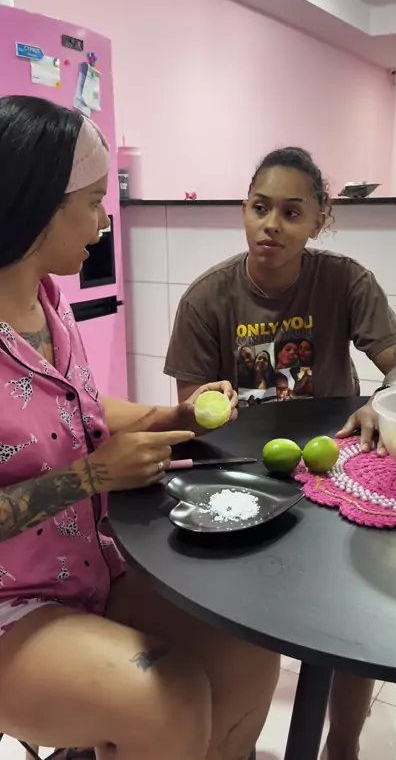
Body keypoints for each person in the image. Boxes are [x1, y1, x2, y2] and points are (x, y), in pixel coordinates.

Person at [0, 96, 279, 760]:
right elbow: (78, 458)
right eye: (93, 201)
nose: (104, 220)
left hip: (95, 568)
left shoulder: (48, 302)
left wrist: (171, 415)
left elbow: (82, 407)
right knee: (166, 698)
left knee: (248, 648)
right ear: (40, 206)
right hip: (12, 605)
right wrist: (90, 477)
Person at [165, 146, 396, 760]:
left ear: (318, 220)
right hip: (241, 485)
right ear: (244, 209)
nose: (271, 225)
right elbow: (190, 413)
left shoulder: (344, 281)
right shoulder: (207, 299)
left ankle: (343, 744)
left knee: (354, 620)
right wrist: (205, 403)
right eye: (260, 208)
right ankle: (236, 742)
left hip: (335, 477)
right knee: (239, 625)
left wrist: (383, 400)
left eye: (291, 212)